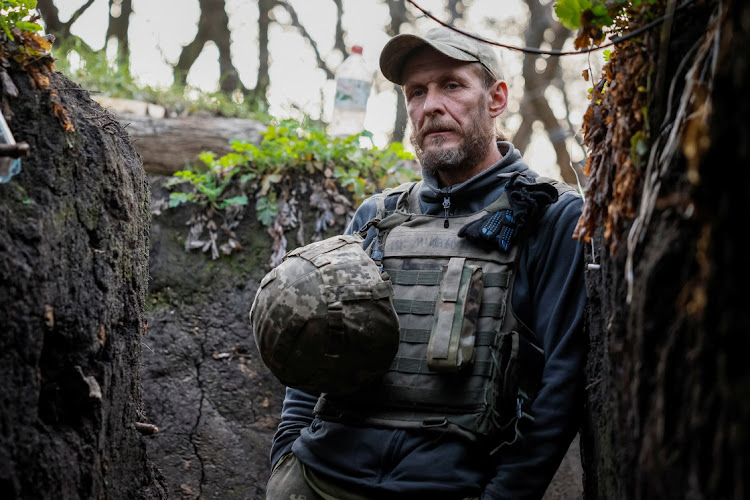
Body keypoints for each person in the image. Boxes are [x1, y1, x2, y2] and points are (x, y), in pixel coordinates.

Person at [264, 25, 587, 500]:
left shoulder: (552, 215)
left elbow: (563, 381)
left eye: (451, 85)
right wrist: (287, 457)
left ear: (495, 99)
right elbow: (317, 348)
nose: (431, 105)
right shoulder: (377, 216)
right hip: (316, 476)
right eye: (417, 92)